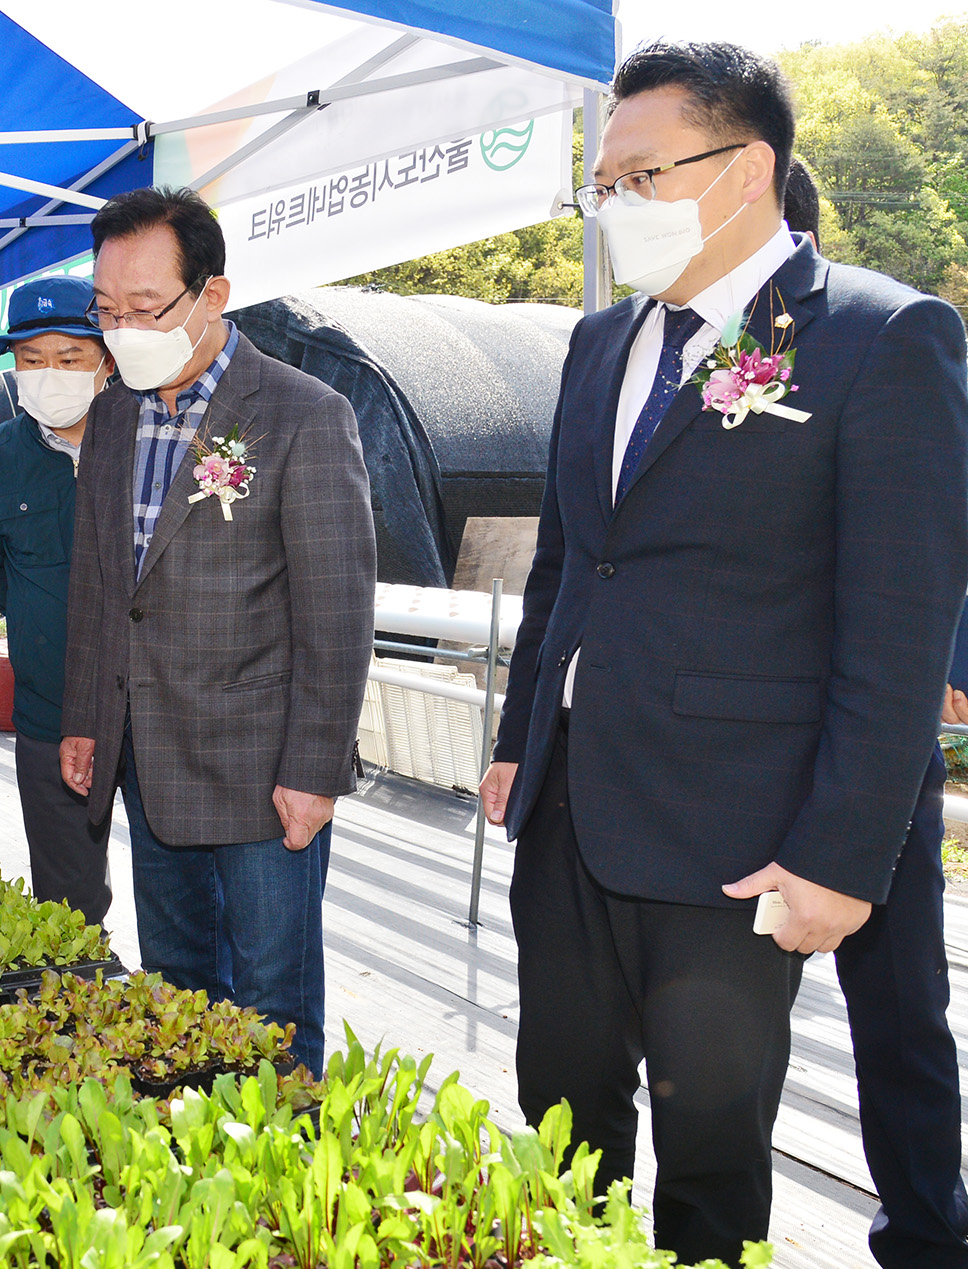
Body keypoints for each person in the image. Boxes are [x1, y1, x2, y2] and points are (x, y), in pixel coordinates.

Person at [479, 44, 968, 1267]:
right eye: (602, 183)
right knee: (560, 1120)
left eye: (639, 174)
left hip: (737, 835)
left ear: (744, 167)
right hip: (572, 811)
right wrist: (513, 747)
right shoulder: (597, 346)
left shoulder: (879, 336)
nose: (612, 205)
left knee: (707, 1153)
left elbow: (897, 629)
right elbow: (565, 568)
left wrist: (838, 860)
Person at [59, 186, 376, 1077]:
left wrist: (314, 771)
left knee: (272, 1003)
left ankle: (281, 1177)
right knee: (176, 989)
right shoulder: (117, 409)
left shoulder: (303, 414)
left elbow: (337, 614)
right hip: (149, 762)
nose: (122, 329)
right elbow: (101, 579)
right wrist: (88, 715)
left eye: (145, 308)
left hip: (261, 774)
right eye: (106, 309)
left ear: (212, 295)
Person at [783, 156, 968, 1269]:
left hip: (872, 739)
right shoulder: (664, 359)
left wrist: (947, 660)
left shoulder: (882, 337)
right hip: (734, 738)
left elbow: (938, 540)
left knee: (898, 1000)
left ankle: (925, 1223)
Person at [0, 275, 115, 923]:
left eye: (70, 358)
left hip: (156, 715)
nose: (51, 374)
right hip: (48, 713)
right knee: (67, 901)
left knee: (183, 897)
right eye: (32, 360)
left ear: (106, 357)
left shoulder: (148, 445)